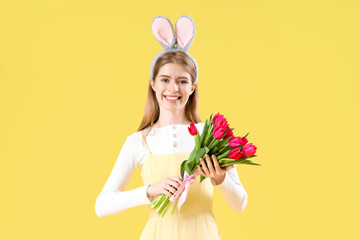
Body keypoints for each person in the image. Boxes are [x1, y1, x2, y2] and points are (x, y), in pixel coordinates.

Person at [94, 15, 248, 239]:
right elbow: (102, 205)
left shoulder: (211, 135)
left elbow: (240, 203)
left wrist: (221, 180)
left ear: (193, 87)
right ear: (153, 83)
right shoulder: (140, 141)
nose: (173, 88)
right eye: (165, 79)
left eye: (182, 81)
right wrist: (149, 191)